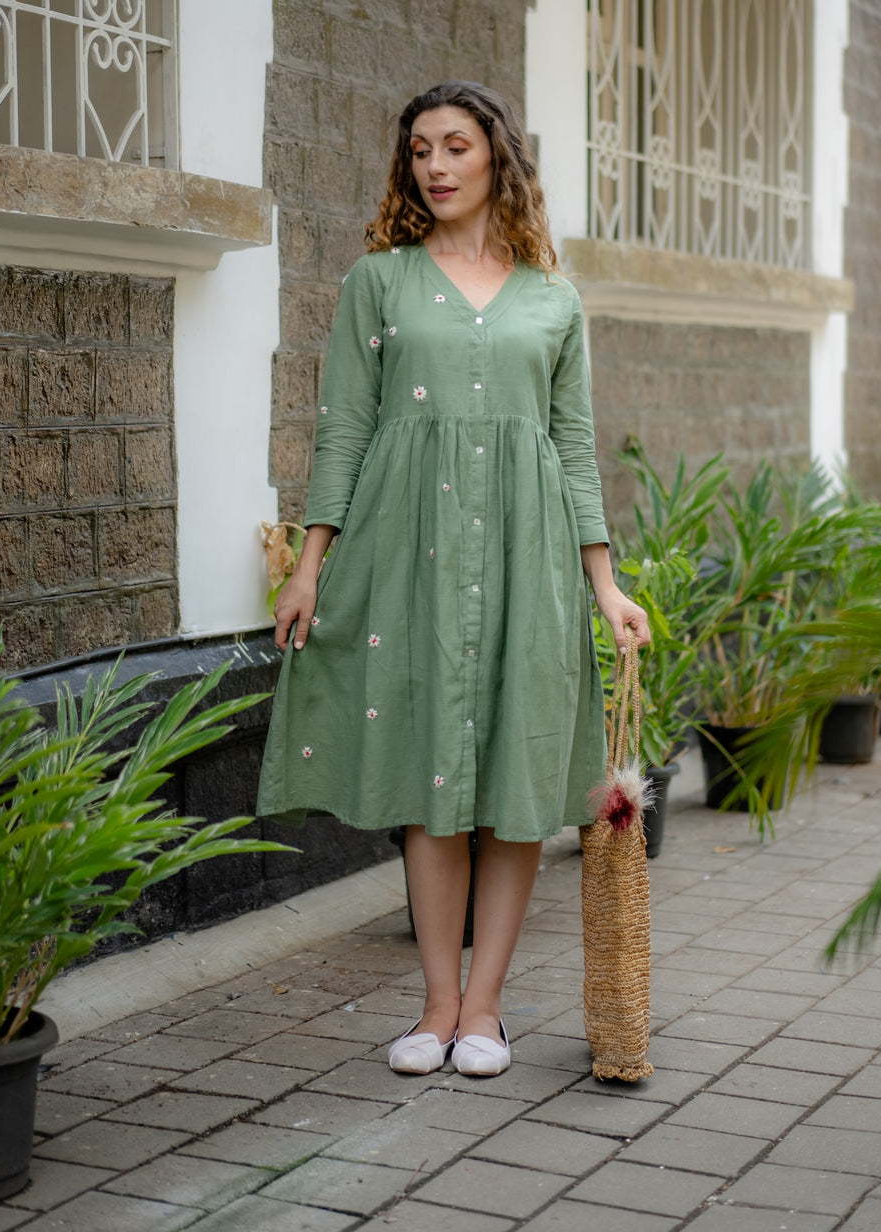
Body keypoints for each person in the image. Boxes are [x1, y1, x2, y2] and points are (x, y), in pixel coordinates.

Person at [257, 79, 649, 1078]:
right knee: (431, 783)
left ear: (496, 158)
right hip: (409, 557)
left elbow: (572, 448)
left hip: (526, 559)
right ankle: (436, 1008)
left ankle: (486, 1010)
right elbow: (344, 429)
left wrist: (604, 587)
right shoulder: (378, 283)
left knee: (512, 782)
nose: (434, 165)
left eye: (455, 147)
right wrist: (309, 567)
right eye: (420, 149)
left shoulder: (553, 297)